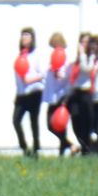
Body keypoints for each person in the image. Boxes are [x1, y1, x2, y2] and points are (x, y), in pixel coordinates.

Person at [12, 27, 44, 156]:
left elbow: (42, 74)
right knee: (16, 120)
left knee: (33, 121)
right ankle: (24, 146)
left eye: (27, 36)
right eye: (23, 36)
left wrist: (29, 80)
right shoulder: (20, 55)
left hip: (34, 92)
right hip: (21, 94)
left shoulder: (36, 55)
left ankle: (36, 148)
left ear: (32, 39)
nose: (24, 39)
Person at [42, 33, 74, 156]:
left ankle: (63, 151)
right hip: (53, 97)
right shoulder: (53, 59)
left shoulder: (66, 59)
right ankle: (70, 146)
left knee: (60, 125)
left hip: (61, 96)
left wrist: (60, 76)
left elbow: (68, 78)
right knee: (50, 125)